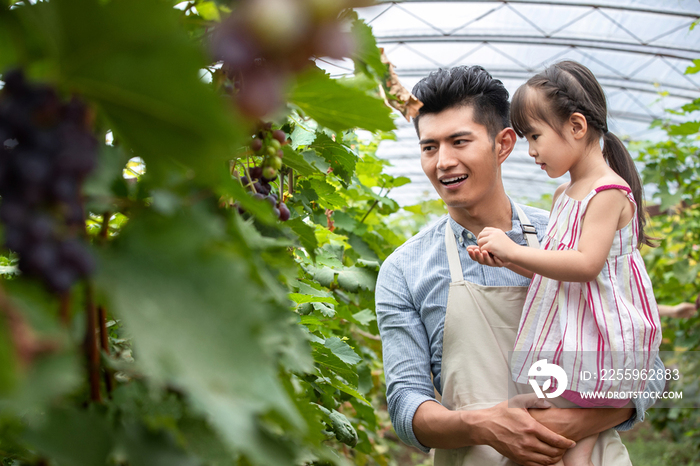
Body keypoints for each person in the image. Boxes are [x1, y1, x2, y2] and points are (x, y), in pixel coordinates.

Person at [375, 65, 666, 466]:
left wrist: (569, 424)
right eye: (429, 147)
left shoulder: (571, 232)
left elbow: (645, 367)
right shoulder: (404, 268)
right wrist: (484, 426)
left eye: (460, 141)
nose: (443, 162)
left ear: (504, 143)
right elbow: (407, 405)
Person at [465, 61, 661, 466]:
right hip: (573, 340)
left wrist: (515, 248)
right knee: (568, 445)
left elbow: (586, 264)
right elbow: (552, 270)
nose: (531, 151)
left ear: (576, 126)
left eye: (535, 136)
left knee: (546, 429)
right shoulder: (563, 195)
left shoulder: (608, 191)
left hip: (596, 343)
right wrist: (506, 258)